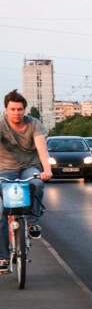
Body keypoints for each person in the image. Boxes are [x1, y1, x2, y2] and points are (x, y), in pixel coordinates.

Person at [0, 89, 53, 273]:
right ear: (6, 109)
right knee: (1, 213)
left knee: (37, 183)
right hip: (5, 169)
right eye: (13, 109)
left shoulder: (34, 124)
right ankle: (3, 258)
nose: (17, 113)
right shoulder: (1, 124)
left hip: (28, 167)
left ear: (25, 110)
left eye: (20, 109)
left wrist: (47, 170)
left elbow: (42, 148)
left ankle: (31, 222)